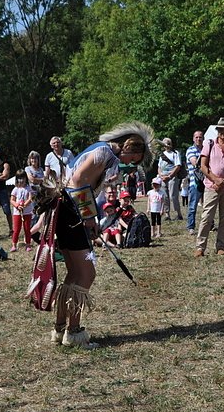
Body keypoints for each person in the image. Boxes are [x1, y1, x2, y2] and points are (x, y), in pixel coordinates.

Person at [38, 121, 153, 348]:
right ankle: (74, 332)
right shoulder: (103, 152)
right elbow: (78, 180)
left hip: (68, 213)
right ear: (130, 147)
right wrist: (90, 217)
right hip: (73, 214)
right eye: (133, 159)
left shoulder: (103, 152)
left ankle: (60, 328)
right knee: (87, 273)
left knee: (74, 273)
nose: (129, 164)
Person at [195, 117, 224, 256]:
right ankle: (200, 247)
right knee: (207, 217)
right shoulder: (209, 144)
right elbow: (203, 166)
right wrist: (216, 180)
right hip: (211, 186)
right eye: (220, 129)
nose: (222, 132)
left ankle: (220, 246)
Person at [158, 137, 183, 220]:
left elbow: (178, 166)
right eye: (165, 144)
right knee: (165, 196)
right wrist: (161, 176)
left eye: (168, 144)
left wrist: (169, 176)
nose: (167, 146)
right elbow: (159, 167)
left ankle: (178, 214)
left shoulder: (175, 153)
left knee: (173, 196)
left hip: (172, 177)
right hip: (163, 177)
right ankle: (167, 214)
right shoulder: (162, 155)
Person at [185, 131, 205, 235]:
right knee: (193, 206)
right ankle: (191, 226)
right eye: (196, 137)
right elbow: (195, 163)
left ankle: (210, 225)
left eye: (200, 137)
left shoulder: (206, 149)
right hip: (195, 183)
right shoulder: (190, 150)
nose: (198, 139)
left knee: (208, 206)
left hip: (207, 182)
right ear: (193, 139)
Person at [9, 172, 34, 252]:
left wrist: (24, 205)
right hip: (17, 213)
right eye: (19, 178)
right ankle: (14, 245)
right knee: (16, 229)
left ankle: (28, 244)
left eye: (23, 178)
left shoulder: (29, 188)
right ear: (17, 179)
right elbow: (12, 200)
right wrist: (17, 206)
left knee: (27, 229)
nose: (21, 180)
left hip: (27, 212)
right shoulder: (15, 189)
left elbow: (30, 199)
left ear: (26, 178)